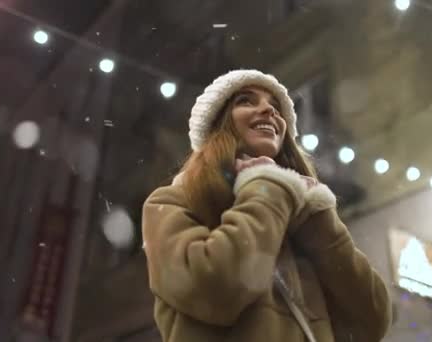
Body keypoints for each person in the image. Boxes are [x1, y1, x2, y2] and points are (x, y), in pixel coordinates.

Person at [141, 69, 391, 342]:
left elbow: (372, 321)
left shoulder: (297, 216)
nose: (269, 111)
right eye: (246, 101)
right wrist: (265, 186)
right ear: (218, 124)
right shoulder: (171, 202)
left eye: (275, 107)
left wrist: (317, 220)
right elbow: (214, 292)